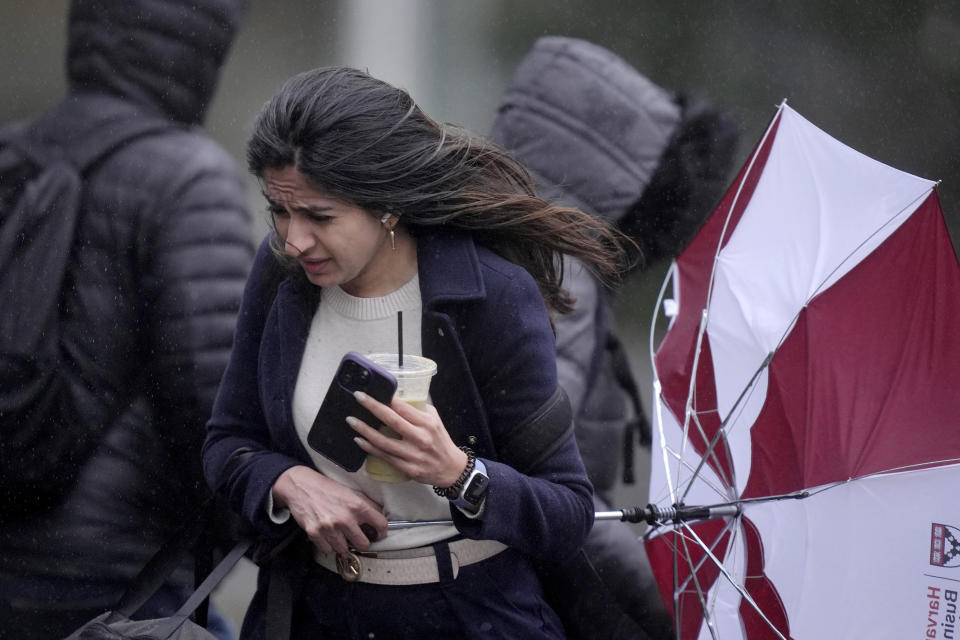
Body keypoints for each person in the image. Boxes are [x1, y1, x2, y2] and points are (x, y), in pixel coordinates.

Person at [201, 65, 629, 639]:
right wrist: (287, 482)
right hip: (313, 611)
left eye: (319, 216)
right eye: (279, 209)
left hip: (472, 615)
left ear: (388, 206)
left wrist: (458, 472)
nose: (293, 238)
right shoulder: (281, 274)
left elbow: (568, 512)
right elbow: (228, 442)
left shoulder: (492, 294)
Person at [0, 1, 254, 638]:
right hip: (121, 575)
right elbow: (212, 404)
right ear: (202, 45)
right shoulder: (190, 178)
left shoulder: (14, 150)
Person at [490, 36, 740, 639]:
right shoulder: (556, 270)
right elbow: (546, 485)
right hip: (536, 596)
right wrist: (670, 609)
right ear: (618, 172)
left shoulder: (517, 245)